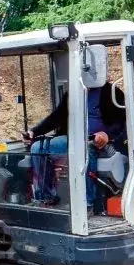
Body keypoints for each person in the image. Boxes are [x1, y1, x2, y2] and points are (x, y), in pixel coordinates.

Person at [22, 76, 126, 208]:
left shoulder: (112, 92)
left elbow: (122, 121)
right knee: (37, 148)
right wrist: (34, 132)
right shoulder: (72, 93)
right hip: (73, 139)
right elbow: (56, 117)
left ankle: (87, 202)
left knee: (84, 148)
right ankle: (46, 198)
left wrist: (107, 134)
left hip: (100, 142)